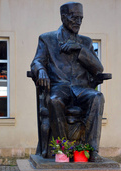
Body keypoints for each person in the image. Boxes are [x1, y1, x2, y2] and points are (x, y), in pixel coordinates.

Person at [31, 2, 105, 162]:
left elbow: (98, 69)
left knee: (97, 97)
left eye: (81, 18)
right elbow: (37, 61)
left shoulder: (85, 42)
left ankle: (92, 151)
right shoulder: (47, 39)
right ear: (63, 17)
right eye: (74, 18)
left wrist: (80, 49)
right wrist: (41, 70)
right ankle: (63, 150)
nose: (78, 22)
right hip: (60, 87)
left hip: (81, 89)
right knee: (54, 100)